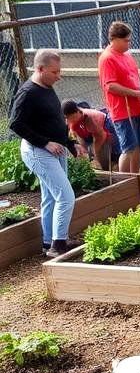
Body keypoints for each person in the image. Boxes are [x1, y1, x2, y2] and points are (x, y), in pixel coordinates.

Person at [9, 48, 76, 257]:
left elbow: (56, 120)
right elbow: (15, 124)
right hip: (38, 151)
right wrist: (45, 143)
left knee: (51, 197)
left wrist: (71, 145)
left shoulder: (47, 87)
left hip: (57, 149)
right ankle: (58, 245)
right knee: (66, 196)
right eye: (55, 72)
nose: (59, 76)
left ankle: (49, 242)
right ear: (40, 69)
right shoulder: (28, 93)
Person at [98, 20, 140, 174]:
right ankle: (122, 183)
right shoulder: (107, 58)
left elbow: (133, 79)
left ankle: (135, 180)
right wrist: (137, 93)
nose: (129, 44)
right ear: (114, 39)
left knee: (138, 145)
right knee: (128, 147)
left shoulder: (127, 55)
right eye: (126, 40)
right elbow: (110, 86)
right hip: (122, 111)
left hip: (135, 107)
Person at [61, 100, 119, 171]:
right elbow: (77, 137)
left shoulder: (90, 118)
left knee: (104, 155)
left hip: (105, 128)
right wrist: (84, 150)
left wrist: (96, 154)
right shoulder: (74, 121)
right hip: (90, 133)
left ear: (76, 113)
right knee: (89, 153)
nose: (67, 121)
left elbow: (101, 137)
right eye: (66, 118)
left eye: (68, 117)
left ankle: (108, 168)